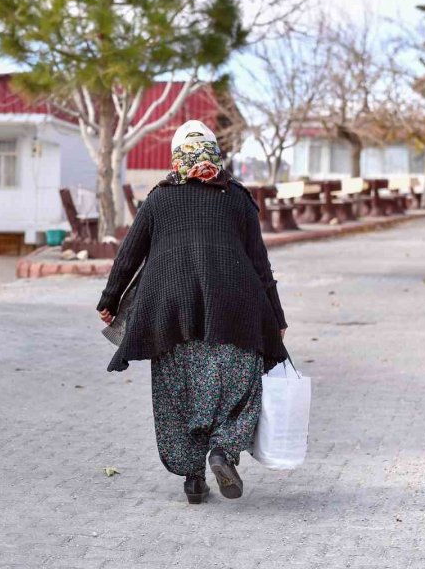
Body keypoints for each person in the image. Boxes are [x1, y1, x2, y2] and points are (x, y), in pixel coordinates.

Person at [96, 120, 287, 504]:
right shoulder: (238, 197)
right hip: (236, 308)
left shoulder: (160, 198)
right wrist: (277, 317)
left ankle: (193, 478)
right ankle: (222, 450)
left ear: (177, 156)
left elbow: (130, 253)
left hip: (169, 311)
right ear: (216, 153)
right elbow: (260, 265)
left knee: (178, 394)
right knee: (238, 388)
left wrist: (110, 299)